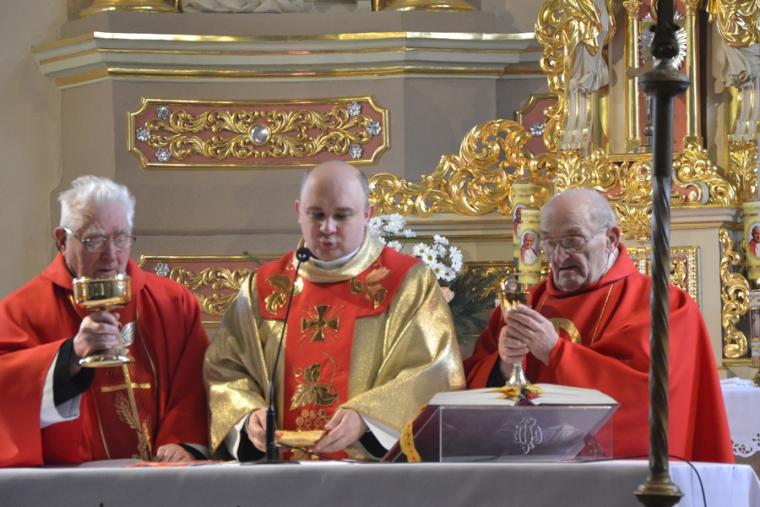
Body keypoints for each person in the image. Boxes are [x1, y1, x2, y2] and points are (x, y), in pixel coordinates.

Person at [204, 160, 465, 460]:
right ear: (298, 212)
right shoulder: (263, 287)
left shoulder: (407, 282)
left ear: (367, 214)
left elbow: (434, 371)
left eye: (342, 215)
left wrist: (369, 418)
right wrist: (248, 416)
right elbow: (226, 369)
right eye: (316, 215)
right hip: (279, 474)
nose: (327, 228)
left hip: (371, 474)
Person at [465, 188, 734, 463]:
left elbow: (652, 402)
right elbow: (466, 395)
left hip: (624, 480)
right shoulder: (522, 307)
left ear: (610, 239)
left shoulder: (665, 307)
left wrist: (556, 352)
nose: (558, 257)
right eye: (549, 243)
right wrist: (504, 366)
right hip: (526, 474)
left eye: (572, 241)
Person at [0, 176, 209, 466]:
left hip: (160, 476)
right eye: (94, 240)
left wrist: (182, 440)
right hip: (71, 481)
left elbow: (193, 385)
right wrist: (70, 355)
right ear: (61, 240)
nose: (110, 255)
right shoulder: (22, 311)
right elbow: (7, 389)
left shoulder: (174, 303)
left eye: (121, 239)